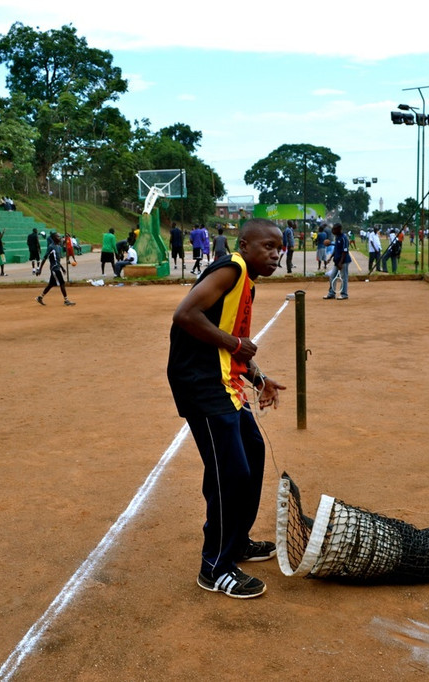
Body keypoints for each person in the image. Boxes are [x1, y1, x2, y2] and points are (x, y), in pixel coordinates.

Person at [167, 218, 286, 599]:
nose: (276, 253)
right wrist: (236, 345)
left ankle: (237, 542)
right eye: (267, 245)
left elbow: (230, 342)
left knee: (252, 453)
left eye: (279, 247)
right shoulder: (232, 269)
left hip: (225, 383)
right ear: (245, 245)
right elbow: (185, 315)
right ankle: (214, 567)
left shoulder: (246, 281)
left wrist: (259, 377)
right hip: (201, 385)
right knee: (228, 473)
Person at [35, 232, 75, 306]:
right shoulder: (51, 247)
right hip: (54, 269)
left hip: (57, 268)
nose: (59, 238)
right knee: (62, 283)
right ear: (54, 238)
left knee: (51, 284)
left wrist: (62, 268)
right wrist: (40, 269)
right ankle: (66, 300)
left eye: (60, 236)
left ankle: (40, 297)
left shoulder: (58, 247)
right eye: (58, 237)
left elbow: (57, 260)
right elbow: (44, 258)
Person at [323, 223, 351, 300]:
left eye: (334, 229)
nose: (333, 231)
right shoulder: (337, 237)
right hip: (337, 261)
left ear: (339, 229)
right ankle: (332, 293)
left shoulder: (344, 238)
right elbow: (336, 249)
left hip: (344, 261)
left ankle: (344, 294)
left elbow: (345, 251)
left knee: (343, 277)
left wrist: (341, 263)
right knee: (332, 276)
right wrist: (330, 258)